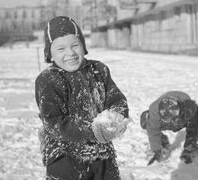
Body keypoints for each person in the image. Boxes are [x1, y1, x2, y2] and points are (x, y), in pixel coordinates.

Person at [35, 16, 129, 180]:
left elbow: (116, 100)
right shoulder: (48, 80)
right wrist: (92, 131)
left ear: (83, 45)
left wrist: (116, 118)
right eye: (60, 49)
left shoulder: (99, 70)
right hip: (65, 159)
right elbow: (53, 122)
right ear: (50, 53)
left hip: (103, 156)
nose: (70, 53)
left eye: (75, 45)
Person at [140, 91, 198, 164]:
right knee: (145, 119)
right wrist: (157, 151)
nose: (173, 123)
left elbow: (192, 127)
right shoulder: (154, 108)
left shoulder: (188, 107)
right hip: (163, 120)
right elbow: (153, 129)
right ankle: (163, 142)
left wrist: (189, 147)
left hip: (182, 118)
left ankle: (192, 147)